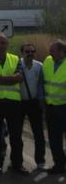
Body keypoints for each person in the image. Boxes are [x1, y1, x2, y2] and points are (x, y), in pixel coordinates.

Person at [0, 34, 27, 175]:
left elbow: (19, 78)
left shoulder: (15, 59)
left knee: (16, 136)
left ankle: (17, 164)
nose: (1, 45)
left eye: (4, 43)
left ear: (7, 45)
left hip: (13, 102)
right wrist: (10, 78)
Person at [19, 43, 46, 170]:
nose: (30, 54)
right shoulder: (17, 65)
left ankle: (40, 160)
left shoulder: (39, 66)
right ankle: (17, 161)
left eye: (32, 51)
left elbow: (42, 86)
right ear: (22, 53)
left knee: (38, 133)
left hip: (34, 103)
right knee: (16, 134)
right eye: (27, 51)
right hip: (19, 103)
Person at [43, 41, 66, 175]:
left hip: (64, 107)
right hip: (50, 106)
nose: (49, 53)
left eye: (52, 51)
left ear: (62, 52)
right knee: (54, 138)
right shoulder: (47, 61)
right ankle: (59, 165)